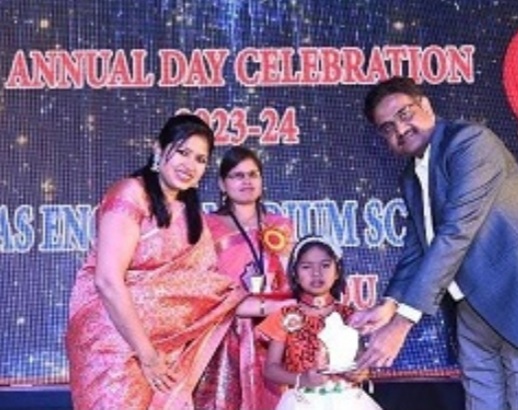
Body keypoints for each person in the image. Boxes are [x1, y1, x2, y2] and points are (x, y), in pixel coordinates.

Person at [351, 76, 518, 410]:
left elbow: (456, 232)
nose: (400, 130)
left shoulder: (470, 143)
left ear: (426, 105)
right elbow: (419, 248)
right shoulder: (411, 177)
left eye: (405, 114)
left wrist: (403, 323)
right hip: (470, 310)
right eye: (387, 128)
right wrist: (389, 305)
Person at [65, 114, 246, 410]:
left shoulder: (191, 217)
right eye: (183, 152)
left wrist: (274, 306)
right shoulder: (131, 193)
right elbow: (107, 280)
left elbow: (208, 292)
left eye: (200, 159)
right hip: (115, 344)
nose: (190, 165)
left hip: (168, 350)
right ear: (158, 150)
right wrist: (147, 355)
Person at [193, 146, 296, 410]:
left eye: (253, 174)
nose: (247, 181)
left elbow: (290, 278)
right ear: (222, 184)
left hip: (275, 328)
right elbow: (203, 284)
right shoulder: (207, 226)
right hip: (225, 328)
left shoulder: (281, 224)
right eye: (237, 175)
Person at [257, 234, 382, 410]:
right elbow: (271, 369)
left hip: (348, 402)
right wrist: (303, 379)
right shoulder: (286, 316)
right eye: (306, 267)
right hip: (303, 402)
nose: (316, 273)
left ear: (337, 271)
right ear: (295, 273)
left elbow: (361, 361)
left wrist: (360, 373)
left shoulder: (351, 315)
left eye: (325, 265)